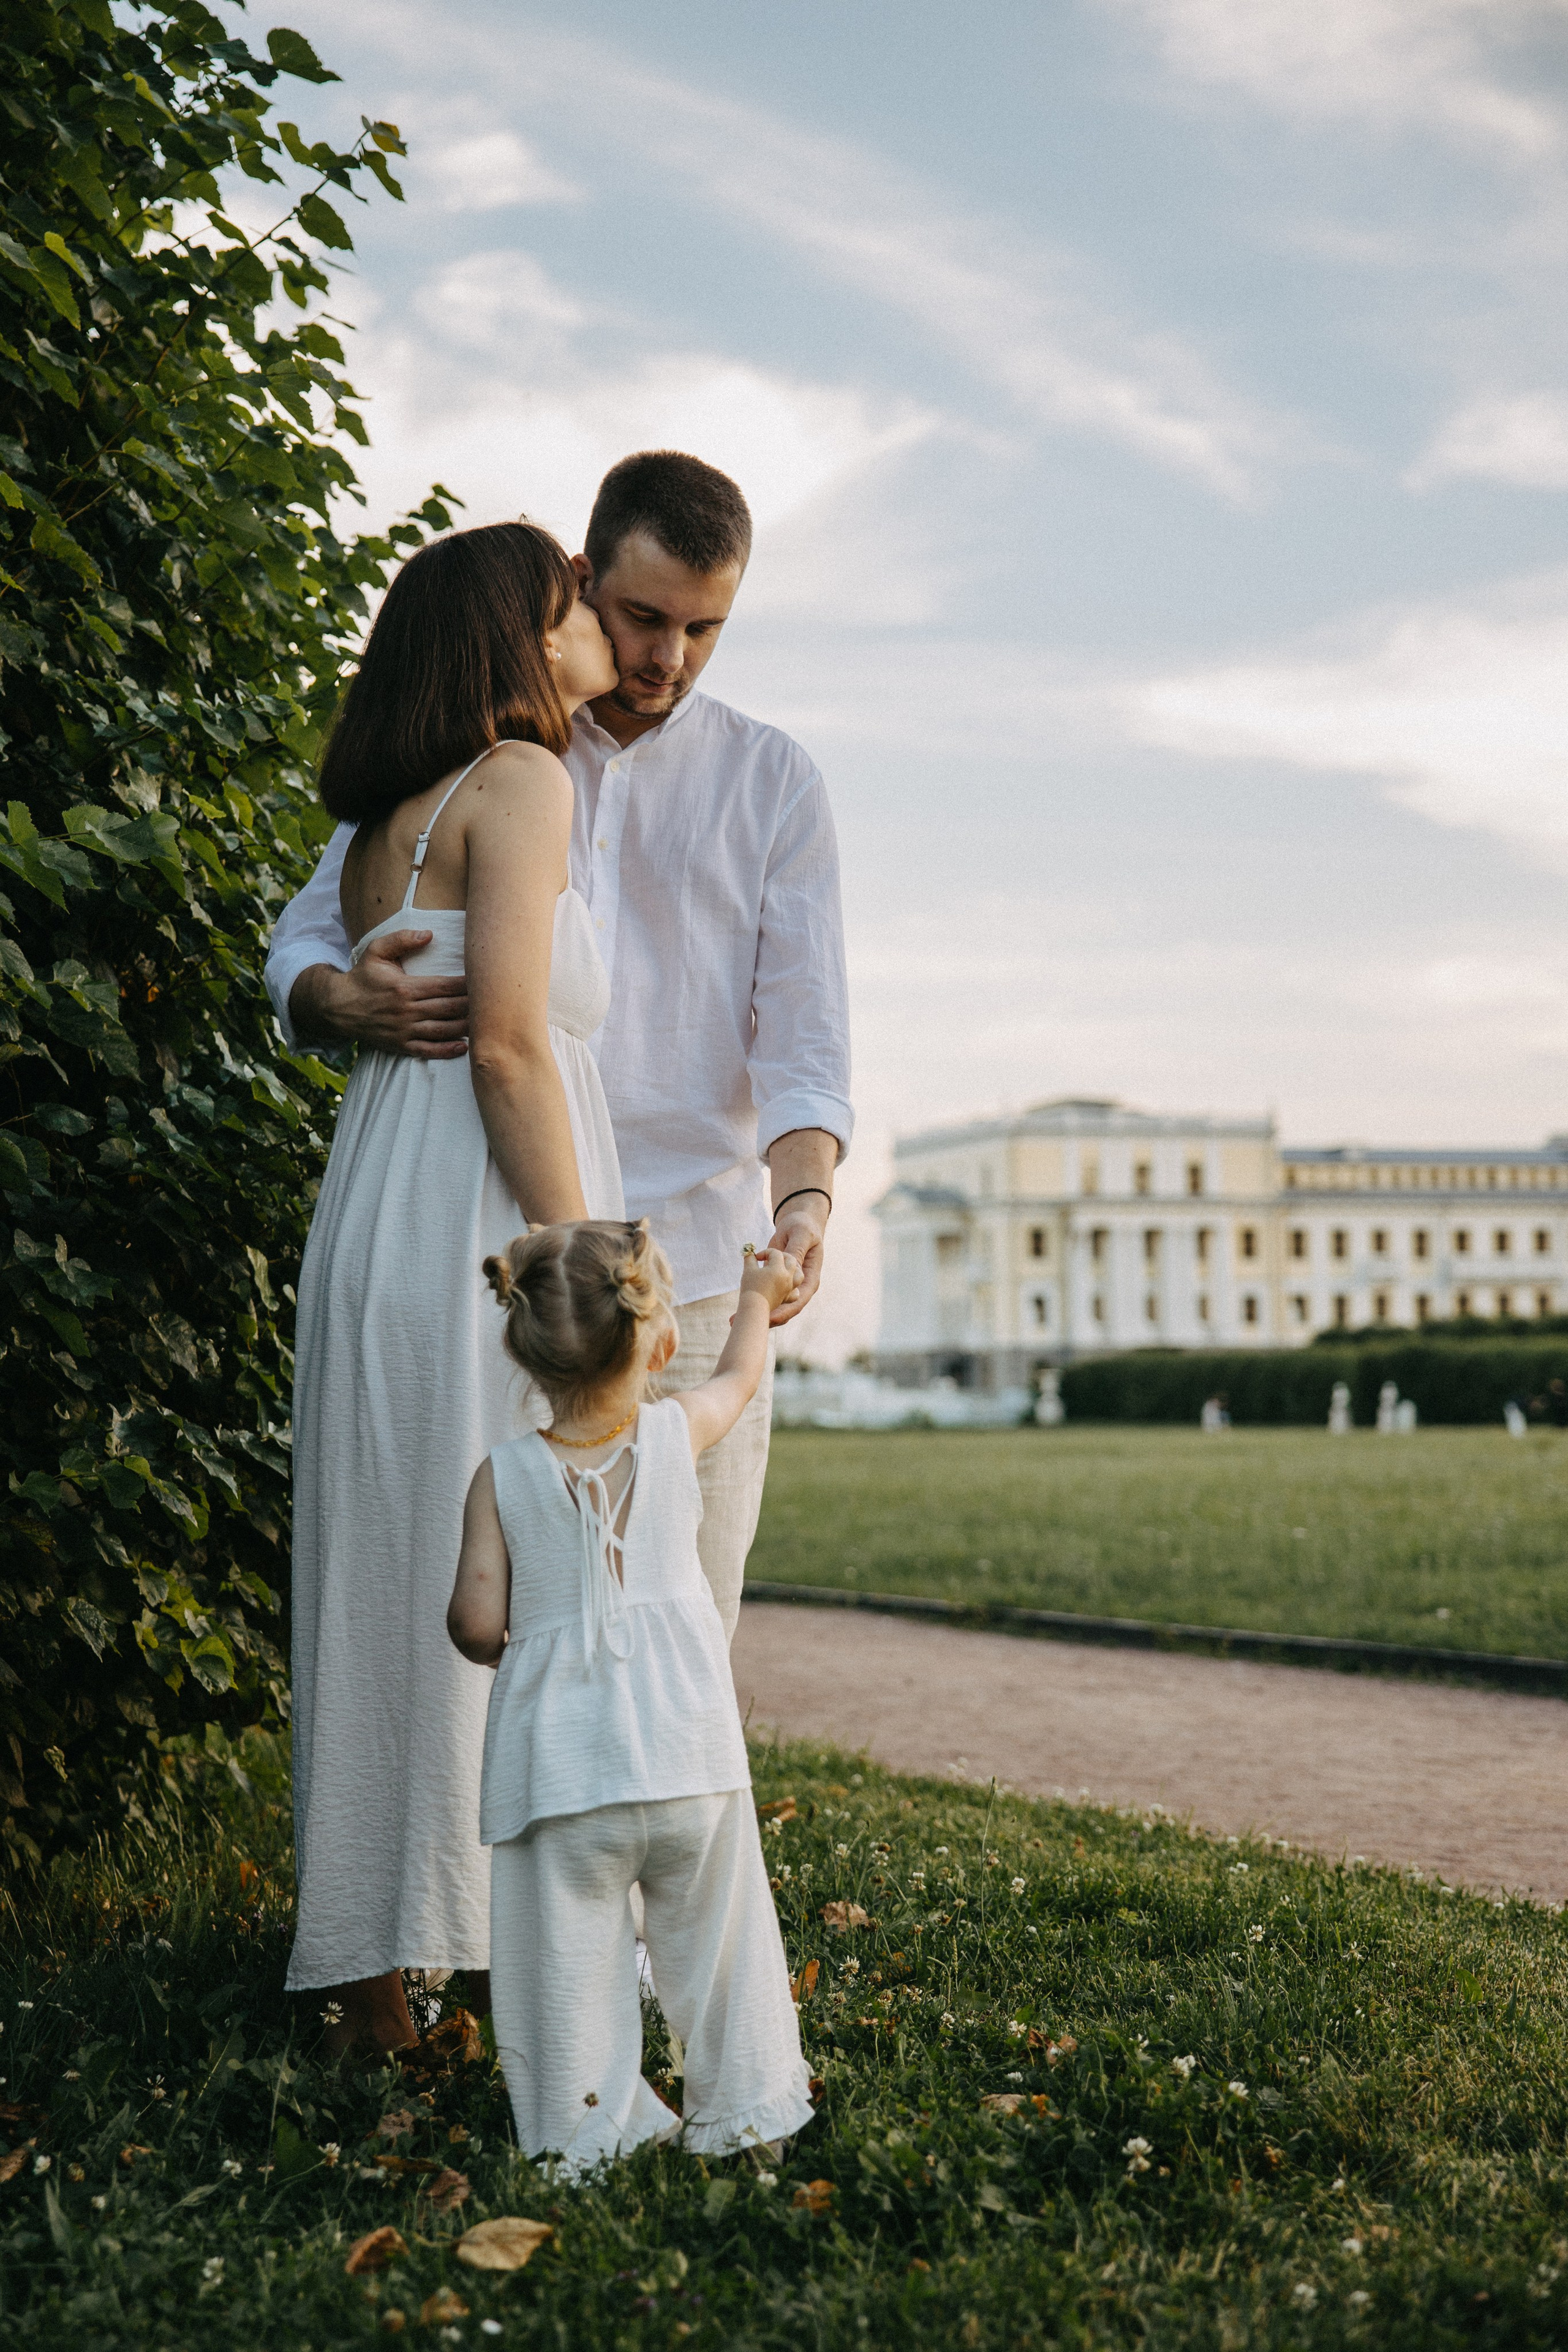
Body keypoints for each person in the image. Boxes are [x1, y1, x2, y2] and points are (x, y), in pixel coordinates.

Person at [265, 451, 854, 1643]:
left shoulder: (773, 782)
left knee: (678, 1636)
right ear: (582, 582)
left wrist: (804, 1204)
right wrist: (335, 1000)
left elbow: (804, 1036)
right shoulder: (480, 743)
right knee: (488, 1626)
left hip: (685, 1273)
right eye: (643, 616)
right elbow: (310, 933)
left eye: (704, 629)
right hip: (502, 1256)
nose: (668, 657)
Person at [286, 521, 625, 2057]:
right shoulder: (524, 779)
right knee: (517, 1571)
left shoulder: (385, 819)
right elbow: (508, 1044)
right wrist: (586, 1267)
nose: (590, 618)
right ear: (519, 637)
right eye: (571, 600)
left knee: (383, 1571)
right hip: (480, 1220)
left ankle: (372, 1983)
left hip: (378, 1206)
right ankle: (509, 1964)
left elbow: (357, 976)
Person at [447, 1219, 815, 2173]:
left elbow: (476, 1623)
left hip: (563, 1777)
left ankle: (584, 2141)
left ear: (524, 1349)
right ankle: (748, 2120)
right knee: (722, 1950)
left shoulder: (503, 1476)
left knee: (564, 1972)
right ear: (656, 1340)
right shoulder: (675, 1432)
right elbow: (739, 1378)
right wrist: (755, 1297)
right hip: (688, 1755)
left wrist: (531, 1642)